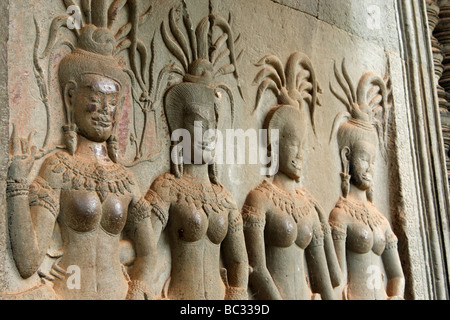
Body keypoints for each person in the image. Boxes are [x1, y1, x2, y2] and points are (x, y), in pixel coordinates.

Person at [7, 13, 156, 300]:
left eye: (112, 102)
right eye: (94, 98)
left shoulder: (125, 180)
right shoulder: (58, 169)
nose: (104, 110)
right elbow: (27, 261)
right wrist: (17, 185)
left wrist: (137, 290)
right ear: (70, 97)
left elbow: (149, 254)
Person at [243, 105, 340, 300]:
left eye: (304, 146)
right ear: (276, 143)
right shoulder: (260, 199)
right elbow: (256, 269)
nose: (300, 154)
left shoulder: (308, 207)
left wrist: (324, 226)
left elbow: (326, 280)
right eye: (295, 144)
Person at [329, 65, 405, 300]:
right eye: (364, 158)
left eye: (373, 161)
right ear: (346, 157)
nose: (370, 167)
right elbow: (337, 277)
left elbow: (397, 275)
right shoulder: (340, 216)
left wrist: (396, 296)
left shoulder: (379, 219)